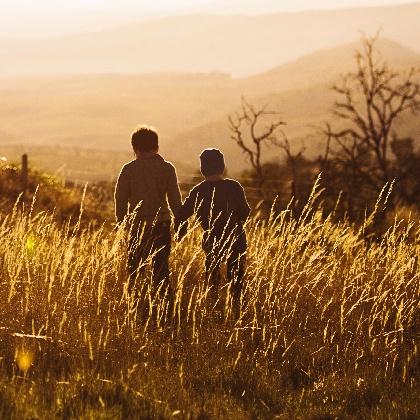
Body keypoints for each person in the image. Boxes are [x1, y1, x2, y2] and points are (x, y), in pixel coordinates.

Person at [175, 148, 250, 308]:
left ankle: (214, 310)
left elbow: (181, 214)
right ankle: (237, 311)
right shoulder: (234, 187)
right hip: (236, 237)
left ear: (203, 169)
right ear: (222, 167)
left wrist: (179, 230)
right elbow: (245, 212)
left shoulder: (198, 191)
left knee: (213, 279)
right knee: (237, 281)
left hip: (212, 240)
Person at [115, 125, 182, 298]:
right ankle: (166, 309)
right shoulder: (167, 168)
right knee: (161, 270)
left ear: (134, 149)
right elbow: (175, 199)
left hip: (137, 227)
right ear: (157, 147)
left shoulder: (128, 170)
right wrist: (181, 223)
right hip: (161, 225)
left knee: (135, 271)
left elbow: (120, 200)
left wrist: (122, 225)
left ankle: (138, 308)